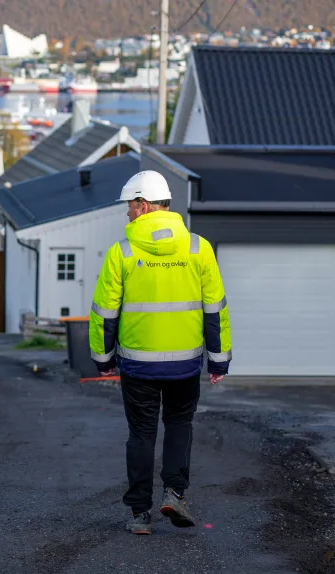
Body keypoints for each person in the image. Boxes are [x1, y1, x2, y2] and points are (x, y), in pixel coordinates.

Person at [88, 170, 232, 536]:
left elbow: (105, 311)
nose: (128, 213)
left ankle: (139, 514)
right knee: (179, 425)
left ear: (145, 205)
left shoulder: (122, 252)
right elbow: (215, 309)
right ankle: (175, 493)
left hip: (138, 366)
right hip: (185, 364)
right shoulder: (199, 248)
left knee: (141, 435)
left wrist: (103, 359)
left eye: (130, 206)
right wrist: (218, 359)